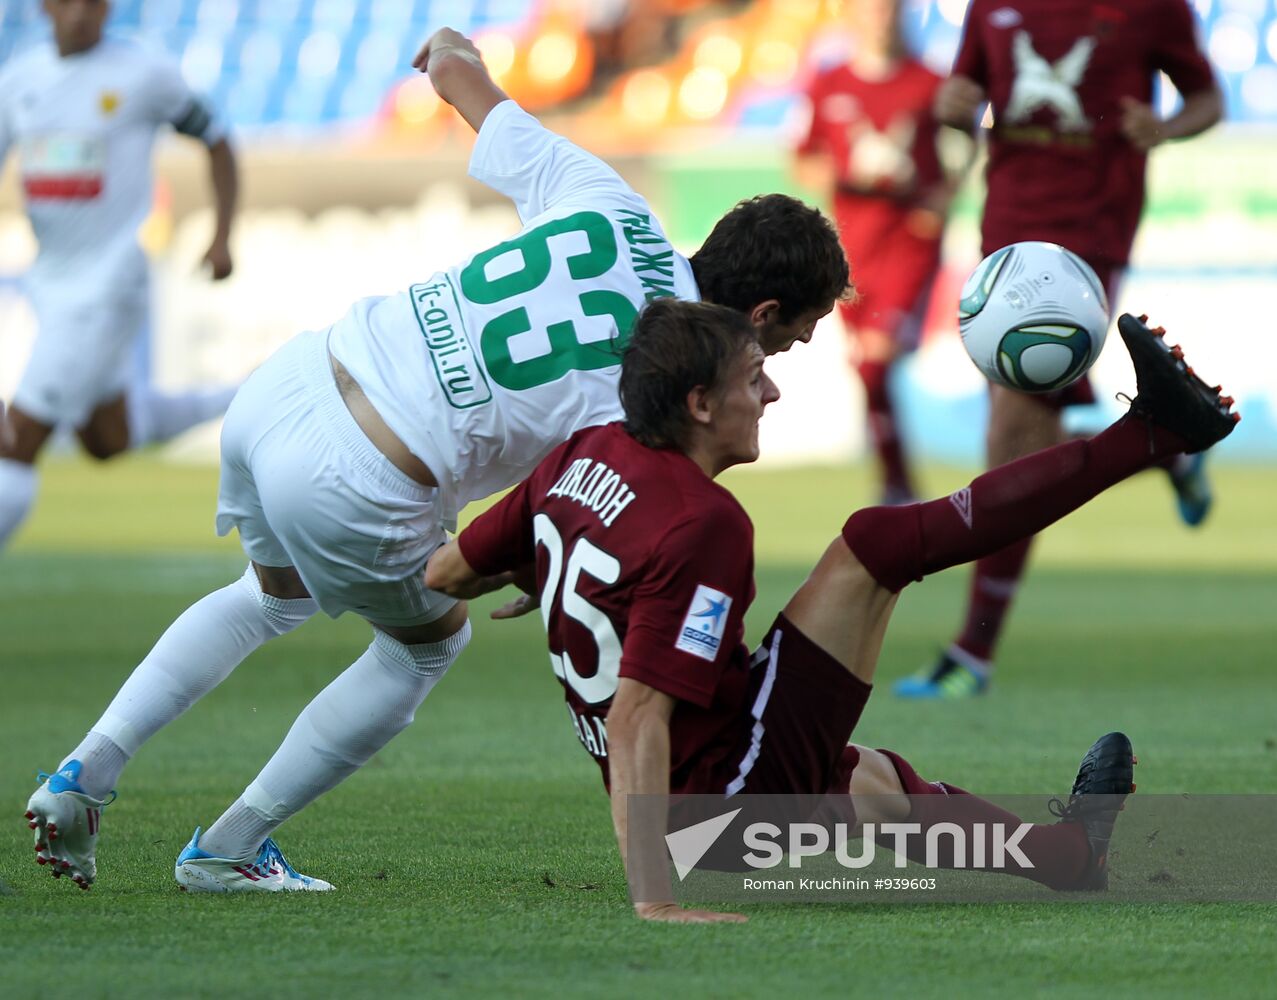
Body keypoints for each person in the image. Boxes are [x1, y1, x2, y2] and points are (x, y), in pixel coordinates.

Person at [24, 26, 850, 892]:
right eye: (800, 331)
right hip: (365, 471)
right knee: (424, 648)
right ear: (759, 314)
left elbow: (464, 83)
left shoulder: (612, 202)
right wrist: (527, 564)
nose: (791, 353)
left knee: (268, 598)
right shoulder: (672, 379)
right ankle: (229, 848)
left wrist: (452, 53)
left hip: (294, 381)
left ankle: (84, 775)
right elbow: (584, 508)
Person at [425, 298, 1236, 922]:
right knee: (872, 550)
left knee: (865, 780)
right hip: (721, 803)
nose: (771, 391)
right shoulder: (701, 523)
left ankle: (1068, 859)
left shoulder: (578, 453)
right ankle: (1152, 437)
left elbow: (450, 571)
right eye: (753, 378)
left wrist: (555, 561)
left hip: (705, 783)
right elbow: (639, 714)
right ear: (700, 404)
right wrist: (653, 900)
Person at [895, 0, 1225, 698]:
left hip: (1087, 236)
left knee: (1013, 433)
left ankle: (972, 652)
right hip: (1004, 232)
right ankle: (1169, 445)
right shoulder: (991, 7)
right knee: (1030, 443)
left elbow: (1206, 99)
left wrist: (1161, 127)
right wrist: (955, 107)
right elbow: (965, 100)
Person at [0, 0, 241, 552]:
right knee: (107, 440)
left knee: (13, 445)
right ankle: (240, 394)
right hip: (50, 280)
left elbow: (218, 138)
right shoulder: (17, 82)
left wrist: (222, 234)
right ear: (44, 7)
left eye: (95, 1)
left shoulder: (143, 75)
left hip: (110, 283)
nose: (81, 12)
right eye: (68, 0)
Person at [794, 0, 961, 504]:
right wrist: (850, 176)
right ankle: (897, 480)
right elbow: (805, 161)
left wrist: (944, 197)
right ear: (853, 16)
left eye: (888, 10)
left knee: (876, 362)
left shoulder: (929, 82)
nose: (880, 18)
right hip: (850, 246)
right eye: (871, 10)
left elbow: (972, 143)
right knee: (864, 363)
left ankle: (898, 484)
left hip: (909, 242)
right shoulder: (829, 83)